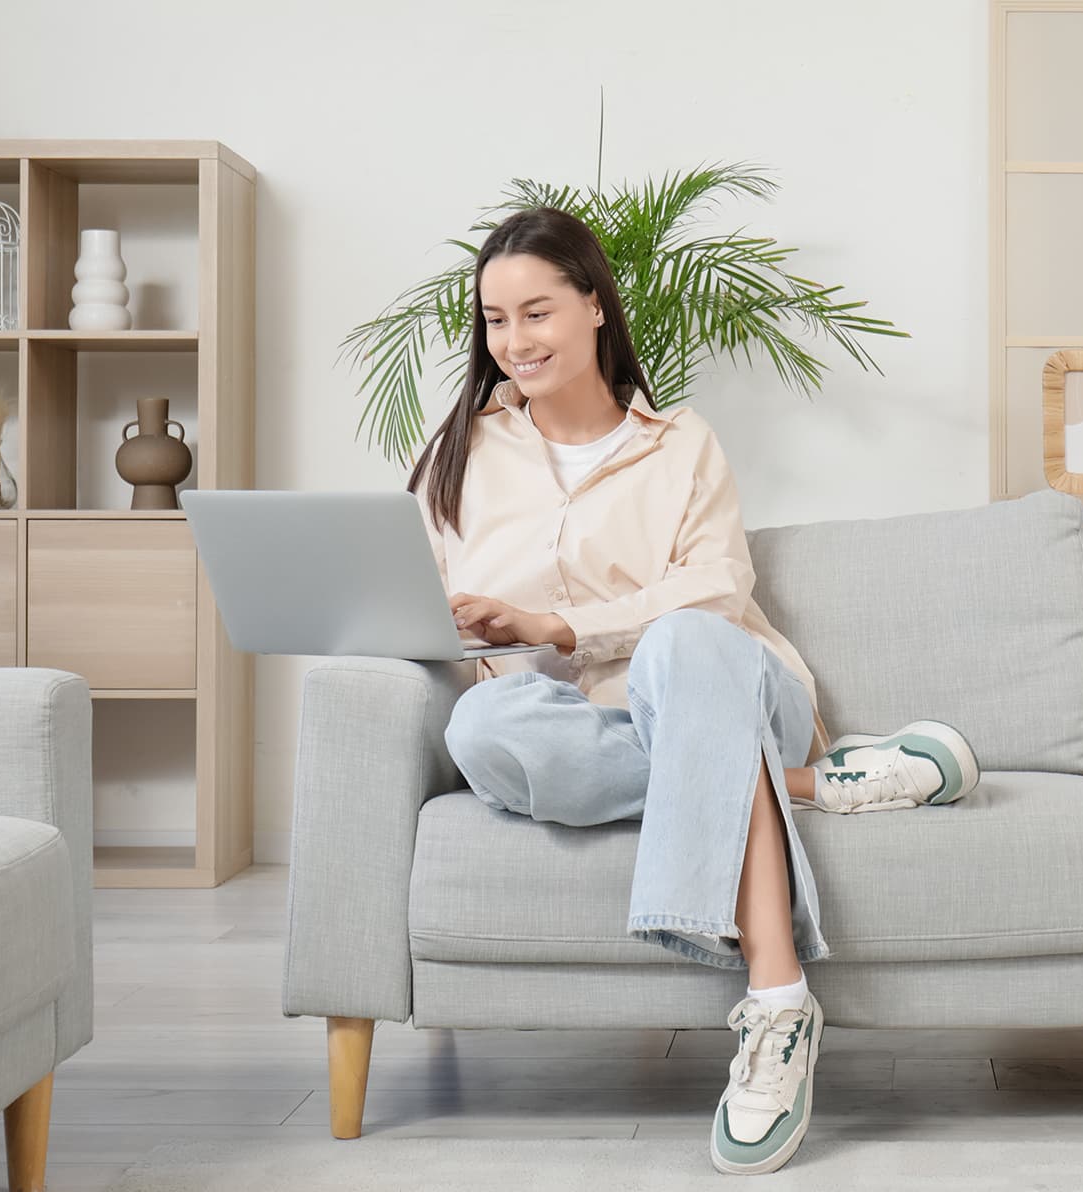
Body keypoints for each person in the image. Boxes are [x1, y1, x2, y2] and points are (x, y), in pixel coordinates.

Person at [405, 207, 980, 1176]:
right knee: (484, 727)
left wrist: (561, 627)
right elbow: (420, 597)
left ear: (593, 304)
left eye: (536, 312)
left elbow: (716, 589)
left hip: (732, 688)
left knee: (682, 639)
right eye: (495, 321)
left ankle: (777, 1003)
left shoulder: (680, 445)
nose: (514, 341)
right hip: (576, 724)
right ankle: (816, 789)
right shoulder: (460, 453)